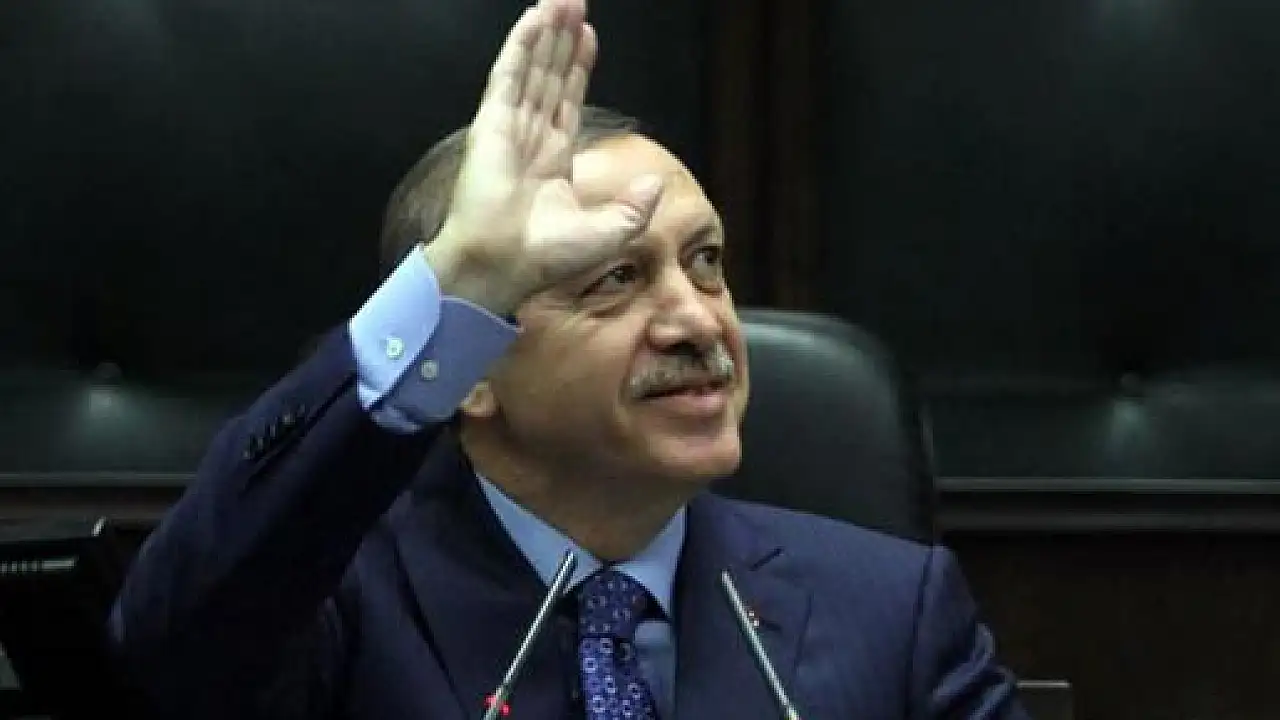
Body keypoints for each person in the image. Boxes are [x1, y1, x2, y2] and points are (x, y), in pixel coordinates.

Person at [107, 0, 1031, 717]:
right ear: (470, 368)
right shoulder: (339, 606)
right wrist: (464, 274)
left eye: (706, 262)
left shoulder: (891, 610)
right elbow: (172, 641)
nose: (697, 321)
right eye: (615, 279)